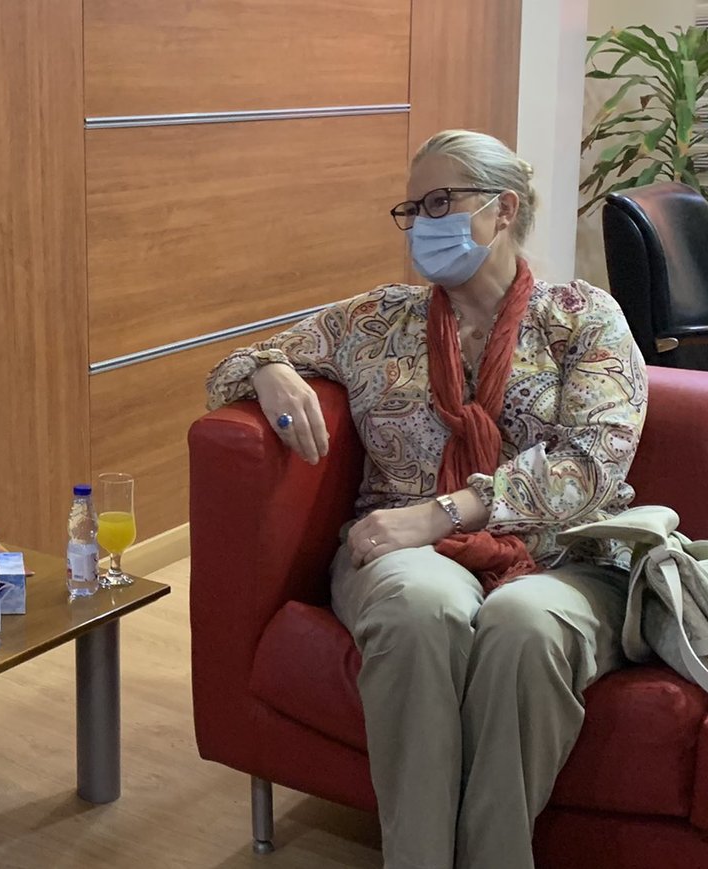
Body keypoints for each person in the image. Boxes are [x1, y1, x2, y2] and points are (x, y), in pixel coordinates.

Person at [206, 131, 647, 869]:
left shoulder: (583, 317)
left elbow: (593, 462)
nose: (420, 223)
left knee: (522, 625)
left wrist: (444, 512)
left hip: (563, 555)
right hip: (407, 555)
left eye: (441, 202)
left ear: (504, 210)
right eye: (412, 208)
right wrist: (268, 370)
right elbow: (229, 365)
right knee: (419, 608)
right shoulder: (380, 320)